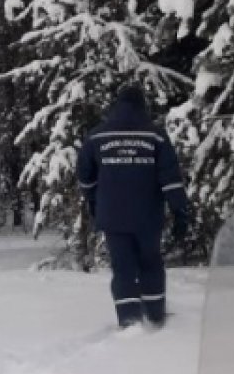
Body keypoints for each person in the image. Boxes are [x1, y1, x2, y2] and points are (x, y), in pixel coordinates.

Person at [77, 84, 190, 329]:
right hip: (148, 215)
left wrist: (95, 199)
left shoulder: (97, 136)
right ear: (142, 107)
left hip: (112, 216)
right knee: (150, 261)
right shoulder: (155, 136)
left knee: (122, 266)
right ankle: (155, 315)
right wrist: (180, 211)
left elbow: (85, 176)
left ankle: (129, 321)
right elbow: (170, 179)